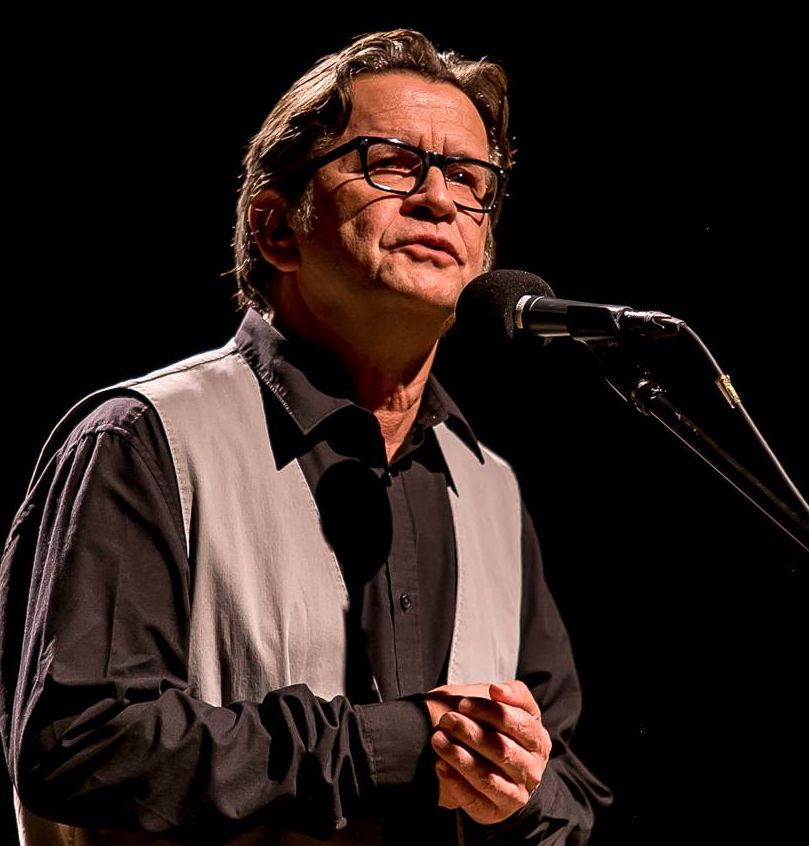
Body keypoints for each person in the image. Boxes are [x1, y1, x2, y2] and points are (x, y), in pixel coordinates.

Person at [0, 29, 610, 845]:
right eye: (391, 162)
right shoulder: (142, 439)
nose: (439, 199)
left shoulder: (488, 486)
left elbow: (566, 789)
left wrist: (515, 787)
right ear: (276, 227)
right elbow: (81, 744)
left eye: (469, 178)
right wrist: (398, 745)